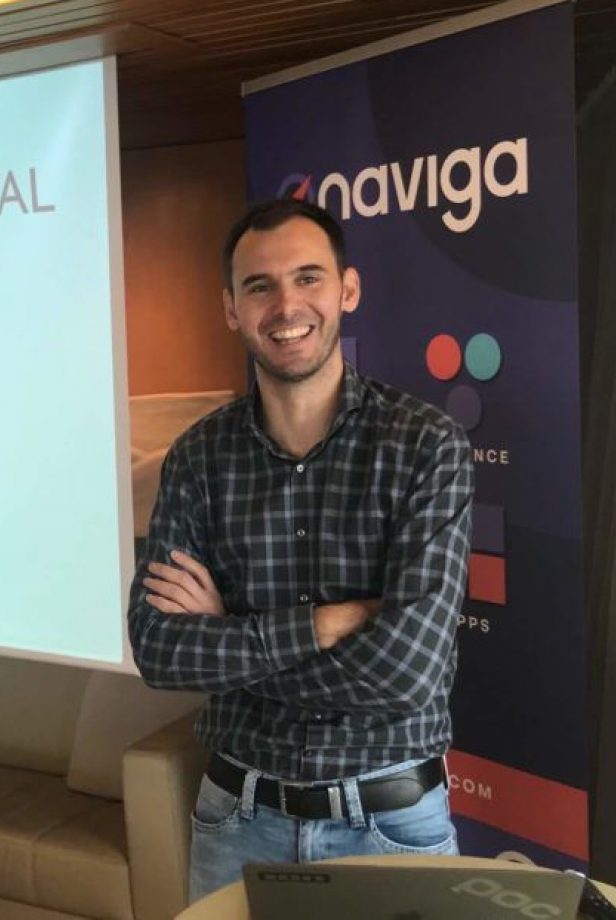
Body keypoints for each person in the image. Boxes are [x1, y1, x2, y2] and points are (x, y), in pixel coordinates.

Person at [127, 198, 474, 901]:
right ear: (231, 308)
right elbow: (159, 650)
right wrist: (326, 623)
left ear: (348, 289)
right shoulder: (197, 458)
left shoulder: (425, 446)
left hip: (390, 823)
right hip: (238, 821)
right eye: (260, 286)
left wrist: (228, 635)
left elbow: (406, 674)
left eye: (308, 278)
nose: (286, 306)